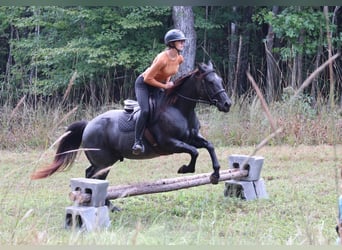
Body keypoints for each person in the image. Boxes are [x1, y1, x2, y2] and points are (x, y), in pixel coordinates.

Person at [132, 29, 187, 155]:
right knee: (145, 110)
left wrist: (165, 85)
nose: (183, 43)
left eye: (183, 41)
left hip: (158, 85)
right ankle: (137, 142)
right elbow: (147, 78)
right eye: (180, 41)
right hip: (143, 85)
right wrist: (164, 86)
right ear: (172, 43)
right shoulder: (162, 58)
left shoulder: (180, 59)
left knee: (164, 108)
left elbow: (168, 74)